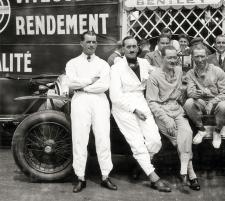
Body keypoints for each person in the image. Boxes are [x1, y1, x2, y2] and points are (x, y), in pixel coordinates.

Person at [109, 36, 171, 192]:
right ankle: (153, 177)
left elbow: (159, 71)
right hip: (123, 107)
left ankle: (141, 164)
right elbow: (115, 97)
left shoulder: (144, 63)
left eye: (134, 46)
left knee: (155, 141)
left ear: (138, 48)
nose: (131, 49)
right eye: (128, 46)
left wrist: (174, 69)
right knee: (137, 142)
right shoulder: (116, 68)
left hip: (141, 102)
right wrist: (134, 110)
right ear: (122, 49)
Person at [65, 31, 117, 193]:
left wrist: (83, 85)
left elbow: (104, 85)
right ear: (81, 43)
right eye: (88, 42)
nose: (92, 45)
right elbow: (71, 84)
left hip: (99, 101)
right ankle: (80, 177)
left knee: (103, 137)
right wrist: (90, 81)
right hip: (80, 101)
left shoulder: (103, 64)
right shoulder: (72, 63)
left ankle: (105, 176)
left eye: (94, 42)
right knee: (80, 139)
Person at [146, 46, 201, 192]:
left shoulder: (178, 71)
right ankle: (190, 173)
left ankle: (184, 172)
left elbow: (183, 88)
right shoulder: (154, 76)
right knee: (179, 139)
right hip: (162, 112)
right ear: (162, 58)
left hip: (177, 110)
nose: (173, 60)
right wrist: (166, 119)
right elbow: (152, 102)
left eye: (175, 57)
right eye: (169, 57)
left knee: (187, 133)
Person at [184, 44, 225, 149]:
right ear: (192, 57)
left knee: (224, 105)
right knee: (188, 103)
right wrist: (198, 93)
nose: (200, 59)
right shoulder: (190, 73)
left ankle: (217, 131)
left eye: (202, 56)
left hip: (216, 103)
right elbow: (190, 92)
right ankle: (201, 130)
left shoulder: (217, 71)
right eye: (197, 57)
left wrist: (212, 101)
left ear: (206, 56)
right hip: (201, 103)